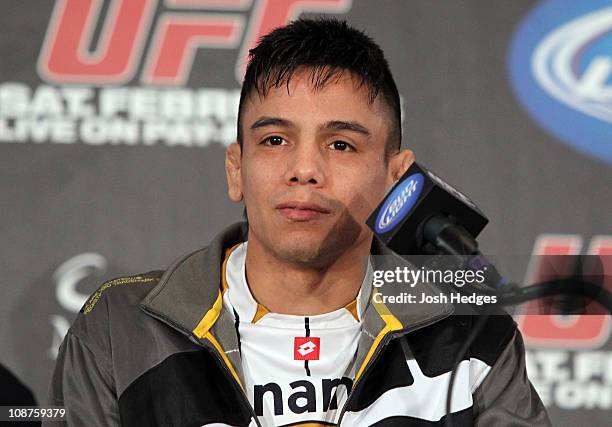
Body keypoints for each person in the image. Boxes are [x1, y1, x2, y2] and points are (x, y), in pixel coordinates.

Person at [46, 18, 551, 427]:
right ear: (236, 169)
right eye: (274, 140)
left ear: (396, 177)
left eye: (341, 144)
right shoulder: (118, 327)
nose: (305, 170)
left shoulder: (471, 336)